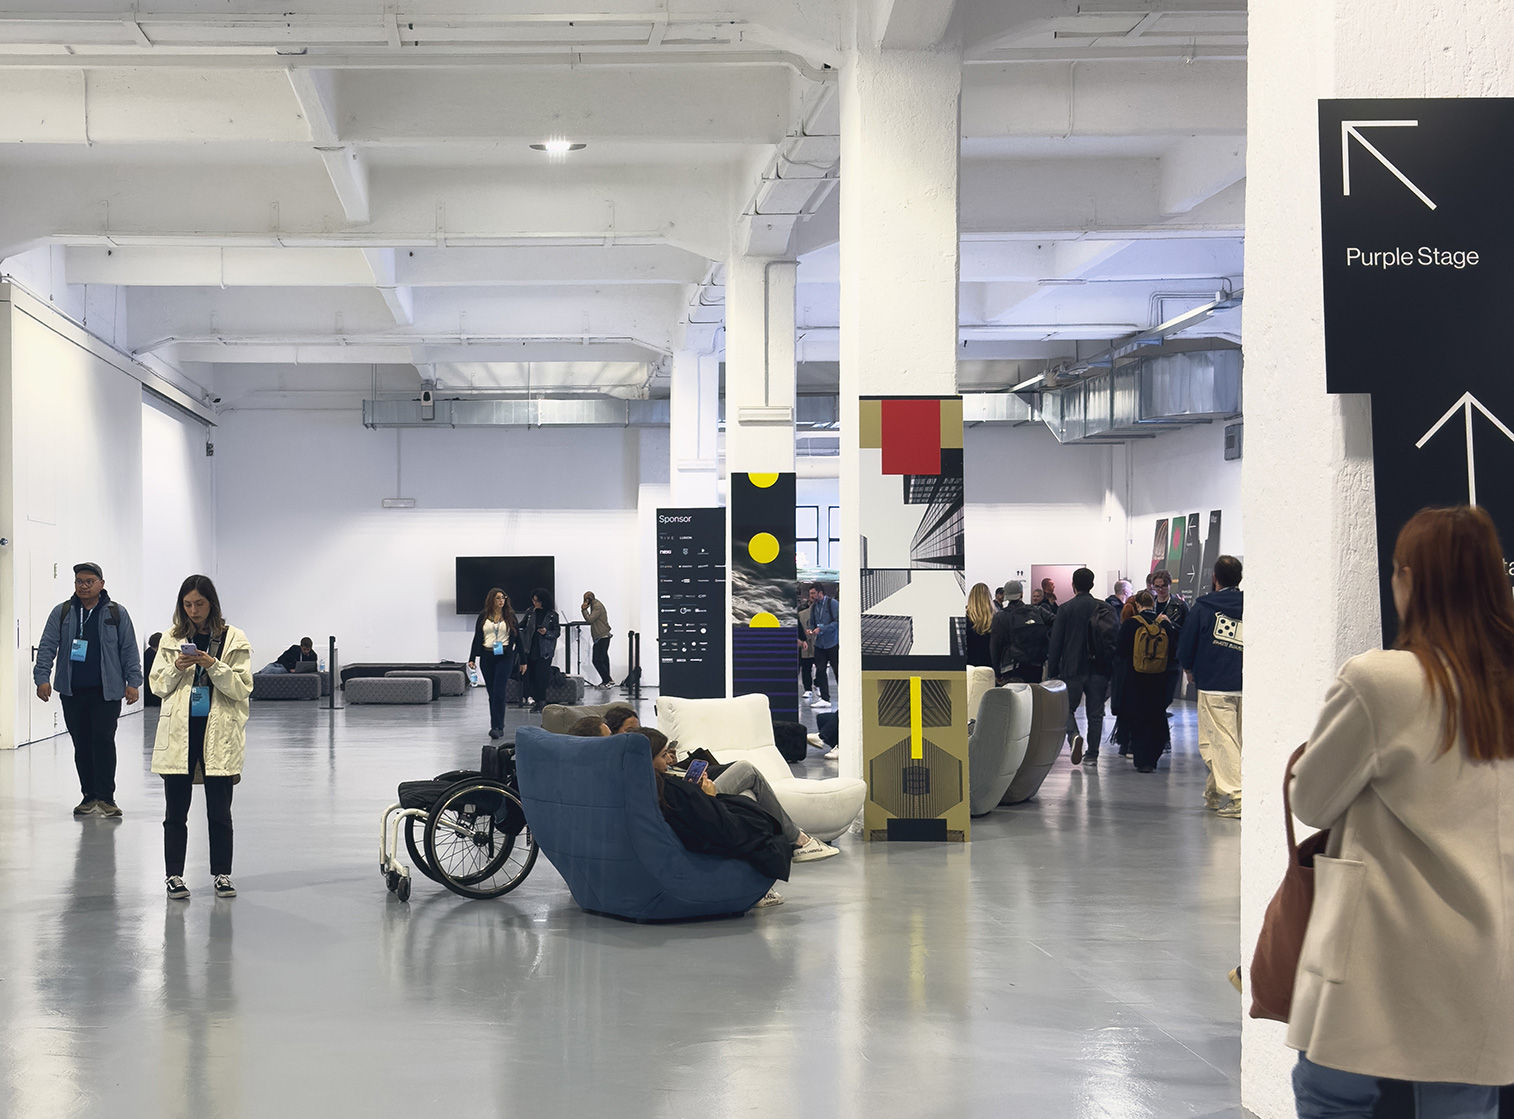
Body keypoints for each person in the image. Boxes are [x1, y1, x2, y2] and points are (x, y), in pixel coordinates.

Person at [1288, 506, 1514, 1119]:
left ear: (1410, 579)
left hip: (1376, 944)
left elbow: (1312, 801)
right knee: (1462, 1102)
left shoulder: (1381, 681)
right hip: (1488, 943)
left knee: (1332, 1096)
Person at [150, 575, 253, 900]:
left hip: (218, 733)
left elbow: (242, 688)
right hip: (181, 734)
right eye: (187, 604)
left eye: (199, 604)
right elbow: (157, 686)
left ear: (212, 603)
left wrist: (213, 665)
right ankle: (174, 876)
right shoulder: (171, 638)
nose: (194, 611)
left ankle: (222, 874)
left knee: (220, 812)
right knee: (175, 813)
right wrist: (177, 667)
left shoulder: (234, 638)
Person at [33, 562, 143, 819]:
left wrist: (133, 682)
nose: (83, 586)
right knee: (81, 744)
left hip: (107, 692)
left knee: (103, 741)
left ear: (101, 584)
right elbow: (47, 645)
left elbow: (129, 649)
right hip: (73, 691)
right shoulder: (63, 612)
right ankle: (88, 796)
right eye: (79, 582)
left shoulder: (116, 613)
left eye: (89, 582)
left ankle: (106, 798)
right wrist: (42, 677)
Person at [639, 729, 790, 906]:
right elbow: (721, 830)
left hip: (694, 831)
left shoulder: (642, 786)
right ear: (649, 758)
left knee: (746, 796)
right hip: (708, 843)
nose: (670, 760)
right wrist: (710, 797)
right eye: (664, 755)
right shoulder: (672, 791)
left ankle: (796, 842)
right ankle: (797, 840)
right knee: (750, 796)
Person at [1177, 556, 1243, 817]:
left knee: (1218, 742)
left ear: (1214, 578)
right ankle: (1213, 792)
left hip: (1214, 684)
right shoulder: (1252, 605)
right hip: (1245, 683)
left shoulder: (1204, 607)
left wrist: (1188, 669)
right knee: (1233, 741)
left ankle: (1238, 796)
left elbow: (1187, 642)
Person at [1046, 567, 1116, 766]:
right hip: (1099, 668)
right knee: (1095, 714)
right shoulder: (1105, 608)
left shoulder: (1066, 609)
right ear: (1092, 585)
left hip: (1072, 668)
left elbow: (1056, 642)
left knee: (1066, 709)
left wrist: (1052, 672)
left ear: (1073, 585)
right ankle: (1092, 755)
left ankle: (1074, 736)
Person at [1110, 590, 1175, 773]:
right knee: (1156, 716)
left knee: (1138, 717)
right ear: (1153, 604)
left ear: (1137, 605)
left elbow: (1121, 651)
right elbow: (1173, 652)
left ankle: (1141, 759)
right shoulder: (1164, 624)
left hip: (1135, 678)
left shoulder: (1131, 624)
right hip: (1159, 679)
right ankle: (1153, 758)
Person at [468, 587, 520, 740]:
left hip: (505, 657)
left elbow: (518, 639)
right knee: (492, 693)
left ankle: (498, 726)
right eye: (498, 598)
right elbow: (477, 637)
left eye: (503, 598)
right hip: (487, 656)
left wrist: (523, 660)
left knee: (499, 691)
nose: (501, 601)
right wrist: (472, 658)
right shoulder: (483, 616)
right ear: (492, 600)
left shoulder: (510, 616)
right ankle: (494, 724)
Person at [990, 580, 1050, 685]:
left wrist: (997, 673)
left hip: (1011, 668)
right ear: (1021, 594)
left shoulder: (1000, 617)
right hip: (1036, 666)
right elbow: (1057, 622)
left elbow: (995, 647)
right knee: (1033, 694)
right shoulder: (1038, 611)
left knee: (1013, 695)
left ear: (1006, 596)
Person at [518, 588, 561, 714]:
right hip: (530, 648)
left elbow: (556, 632)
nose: (534, 603)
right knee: (530, 675)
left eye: (537, 601)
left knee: (542, 676)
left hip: (545, 650)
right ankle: (537, 701)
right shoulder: (530, 612)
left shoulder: (552, 615)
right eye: (533, 600)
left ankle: (542, 701)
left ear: (543, 601)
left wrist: (546, 632)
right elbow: (522, 625)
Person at [806, 583, 839, 710]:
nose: (811, 596)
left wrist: (822, 629)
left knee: (837, 671)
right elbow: (812, 623)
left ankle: (846, 697)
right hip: (819, 644)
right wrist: (811, 630)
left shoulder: (832, 604)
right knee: (820, 671)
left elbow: (837, 622)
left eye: (813, 593)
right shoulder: (814, 607)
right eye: (810, 594)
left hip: (832, 643)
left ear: (820, 593)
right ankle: (825, 698)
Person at [581, 591, 614, 689]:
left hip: (602, 636)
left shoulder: (597, 606)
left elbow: (590, 620)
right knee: (603, 659)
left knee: (597, 660)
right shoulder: (595, 605)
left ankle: (608, 680)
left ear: (588, 599)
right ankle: (606, 681)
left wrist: (584, 610)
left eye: (585, 600)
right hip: (601, 636)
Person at [964, 582, 995, 668]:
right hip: (990, 666)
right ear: (989, 597)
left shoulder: (966, 617)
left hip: (970, 665)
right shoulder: (996, 618)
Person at [797, 597, 816, 701]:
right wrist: (802, 640)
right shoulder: (801, 615)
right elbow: (800, 629)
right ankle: (808, 688)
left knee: (820, 668)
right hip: (807, 644)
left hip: (821, 644)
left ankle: (817, 685)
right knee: (806, 667)